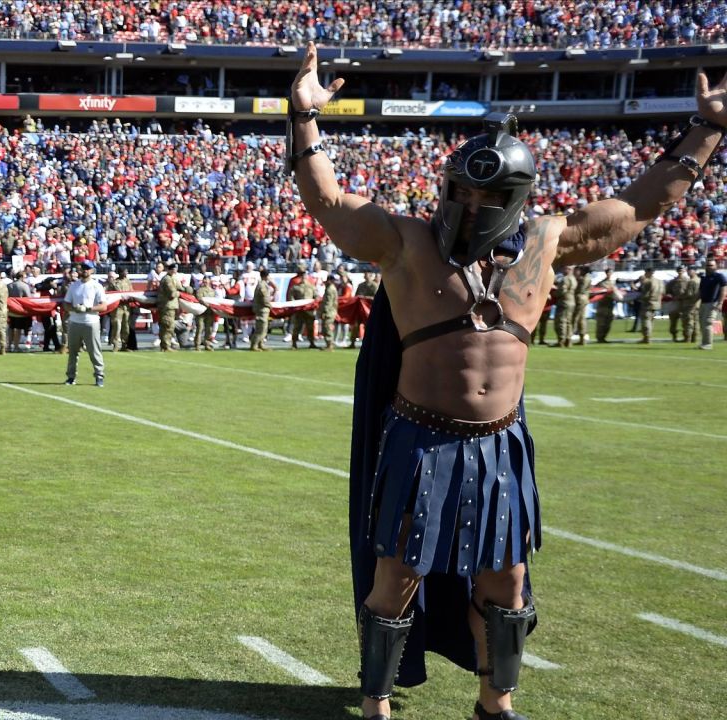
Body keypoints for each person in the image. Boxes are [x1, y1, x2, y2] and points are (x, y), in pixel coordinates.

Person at [290, 41, 727, 720]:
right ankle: (375, 705)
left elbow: (641, 207)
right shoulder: (405, 242)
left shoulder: (550, 241)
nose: (468, 205)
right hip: (419, 440)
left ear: (515, 198)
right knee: (396, 576)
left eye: (484, 195)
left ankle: (497, 703)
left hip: (499, 445)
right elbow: (326, 200)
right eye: (459, 189)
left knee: (507, 583)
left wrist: (707, 128)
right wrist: (303, 118)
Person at [64, 260, 107, 385]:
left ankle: (99, 376)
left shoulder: (96, 286)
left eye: (87, 268)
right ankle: (71, 376)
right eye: (83, 268)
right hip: (75, 321)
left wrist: (88, 308)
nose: (84, 270)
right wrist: (74, 308)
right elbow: (66, 303)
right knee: (73, 352)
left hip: (91, 322)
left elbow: (103, 306)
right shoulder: (74, 285)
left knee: (94, 351)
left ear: (92, 271)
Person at [156, 263, 190, 351]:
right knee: (168, 326)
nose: (175, 271)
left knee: (167, 326)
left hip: (171, 306)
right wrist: (180, 293)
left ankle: (165, 345)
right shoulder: (167, 279)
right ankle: (166, 346)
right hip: (167, 306)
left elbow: (180, 287)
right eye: (174, 269)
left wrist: (186, 289)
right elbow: (172, 294)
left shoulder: (173, 278)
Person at [699, 259, 725, 349]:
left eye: (711, 265)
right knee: (702, 324)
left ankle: (708, 344)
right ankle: (704, 342)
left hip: (713, 303)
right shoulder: (704, 278)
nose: (709, 267)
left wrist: (720, 302)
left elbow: (723, 290)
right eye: (708, 265)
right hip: (703, 303)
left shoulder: (719, 277)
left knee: (708, 323)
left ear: (715, 266)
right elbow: (700, 291)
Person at [288, 271, 319, 349]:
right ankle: (294, 343)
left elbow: (316, 297)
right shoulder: (295, 287)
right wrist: (294, 305)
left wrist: (314, 304)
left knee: (310, 327)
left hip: (309, 311)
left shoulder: (311, 287)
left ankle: (312, 342)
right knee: (297, 327)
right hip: (299, 311)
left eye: (305, 276)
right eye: (302, 276)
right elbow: (290, 297)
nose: (304, 278)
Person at [249, 267, 276, 351]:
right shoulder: (262, 285)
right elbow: (264, 298)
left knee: (264, 328)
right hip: (262, 309)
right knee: (261, 328)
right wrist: (270, 305)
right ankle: (254, 344)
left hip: (263, 309)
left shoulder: (263, 285)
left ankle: (260, 343)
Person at [350, 272, 379, 348]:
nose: (365, 276)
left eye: (367, 275)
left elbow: (376, 298)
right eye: (365, 275)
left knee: (368, 327)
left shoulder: (374, 286)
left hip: (369, 310)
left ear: (371, 276)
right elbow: (356, 296)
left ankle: (368, 344)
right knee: (356, 325)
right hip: (360, 309)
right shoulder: (361, 285)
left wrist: (364, 297)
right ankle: (352, 343)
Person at [106, 269, 131, 351]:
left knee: (126, 327)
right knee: (117, 326)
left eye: (127, 271)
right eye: (125, 271)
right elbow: (109, 295)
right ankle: (115, 344)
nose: (126, 273)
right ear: (120, 272)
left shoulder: (128, 282)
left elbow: (131, 292)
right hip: (117, 308)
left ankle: (124, 345)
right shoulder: (114, 283)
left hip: (126, 307)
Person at [638, 267, 664, 344]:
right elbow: (663, 292)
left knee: (646, 321)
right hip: (656, 303)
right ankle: (648, 336)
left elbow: (645, 294)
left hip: (648, 303)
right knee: (651, 320)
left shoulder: (647, 282)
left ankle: (647, 338)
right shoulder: (659, 281)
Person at [193, 274, 219, 351]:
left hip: (209, 312)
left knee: (209, 329)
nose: (206, 282)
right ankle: (197, 344)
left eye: (207, 280)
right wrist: (208, 305)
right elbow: (199, 298)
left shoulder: (213, 291)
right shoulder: (199, 290)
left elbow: (215, 300)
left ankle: (207, 344)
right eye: (204, 280)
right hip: (201, 312)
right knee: (200, 328)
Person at [594, 268, 620, 343]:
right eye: (608, 273)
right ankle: (599, 338)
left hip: (610, 305)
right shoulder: (602, 283)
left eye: (611, 273)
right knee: (601, 323)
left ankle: (604, 337)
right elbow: (598, 291)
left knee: (608, 323)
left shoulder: (613, 283)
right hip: (602, 305)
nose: (609, 274)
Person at [552, 268, 576, 347]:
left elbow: (562, 291)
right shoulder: (573, 278)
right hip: (571, 301)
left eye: (565, 269)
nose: (563, 270)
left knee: (561, 321)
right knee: (569, 322)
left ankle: (561, 341)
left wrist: (554, 293)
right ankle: (568, 340)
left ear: (569, 270)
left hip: (564, 302)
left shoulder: (565, 279)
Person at [571, 266, 591, 345]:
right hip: (584, 298)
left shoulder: (583, 279)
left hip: (580, 298)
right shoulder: (587, 278)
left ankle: (569, 336)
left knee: (575, 318)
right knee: (581, 319)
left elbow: (579, 289)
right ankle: (582, 337)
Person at [319, 272, 339, 351]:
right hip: (331, 311)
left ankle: (329, 345)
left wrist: (325, 312)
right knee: (326, 328)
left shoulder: (330, 289)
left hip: (329, 312)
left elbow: (328, 302)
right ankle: (329, 344)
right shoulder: (331, 288)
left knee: (327, 328)